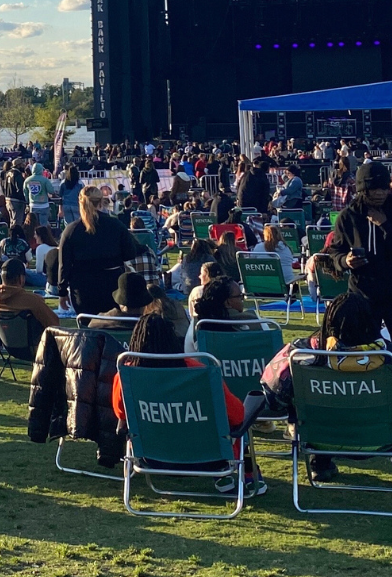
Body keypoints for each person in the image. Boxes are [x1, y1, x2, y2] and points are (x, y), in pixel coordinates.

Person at [111, 313, 263, 495]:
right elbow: (237, 415)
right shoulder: (201, 374)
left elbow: (121, 415)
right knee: (237, 424)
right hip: (209, 458)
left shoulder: (126, 376)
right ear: (175, 339)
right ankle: (246, 477)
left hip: (152, 458)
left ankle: (225, 478)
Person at [261, 292, 387, 484]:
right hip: (379, 441)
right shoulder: (388, 359)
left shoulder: (299, 354)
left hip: (318, 439)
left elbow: (273, 400)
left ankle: (320, 463)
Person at [328, 159, 392, 335]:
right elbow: (334, 251)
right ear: (362, 190)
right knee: (364, 349)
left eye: (383, 189)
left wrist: (385, 226)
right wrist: (345, 261)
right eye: (373, 190)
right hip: (362, 292)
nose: (379, 194)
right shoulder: (348, 217)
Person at [58, 186, 140, 315]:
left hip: (82, 289)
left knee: (87, 327)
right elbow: (130, 253)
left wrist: (62, 292)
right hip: (112, 286)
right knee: (112, 327)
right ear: (101, 202)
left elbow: (64, 264)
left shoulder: (71, 230)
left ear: (80, 202)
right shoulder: (116, 225)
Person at [0, 257, 60, 333]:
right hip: (34, 344)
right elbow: (54, 325)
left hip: (4, 343)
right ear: (21, 278)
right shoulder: (32, 301)